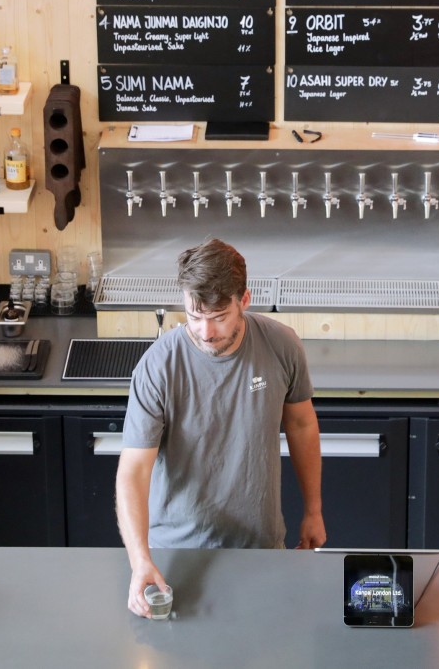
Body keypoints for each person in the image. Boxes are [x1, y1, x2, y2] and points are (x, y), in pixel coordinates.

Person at [116, 238, 326, 617]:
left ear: (244, 300)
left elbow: (301, 424)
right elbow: (133, 471)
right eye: (194, 317)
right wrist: (140, 560)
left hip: (261, 549)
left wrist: (313, 509)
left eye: (218, 316)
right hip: (177, 557)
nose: (206, 331)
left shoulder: (281, 346)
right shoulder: (157, 367)